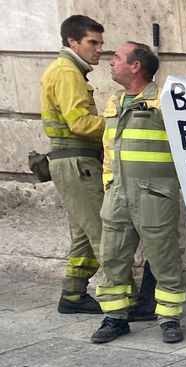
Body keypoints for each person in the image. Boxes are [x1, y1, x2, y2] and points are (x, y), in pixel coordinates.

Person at [90, 42, 186, 345]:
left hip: (155, 195)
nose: (110, 62)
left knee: (164, 258)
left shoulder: (165, 100)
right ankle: (115, 318)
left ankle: (169, 319)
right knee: (113, 258)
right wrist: (109, 184)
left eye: (117, 58)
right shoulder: (114, 101)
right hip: (118, 194)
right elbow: (108, 148)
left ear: (136, 66)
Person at [40, 15, 106, 315]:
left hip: (71, 162)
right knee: (104, 232)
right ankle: (124, 299)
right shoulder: (67, 72)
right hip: (77, 161)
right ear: (72, 41)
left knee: (84, 233)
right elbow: (80, 123)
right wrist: (117, 123)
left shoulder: (67, 70)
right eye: (93, 42)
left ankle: (73, 294)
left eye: (100, 43)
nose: (99, 49)